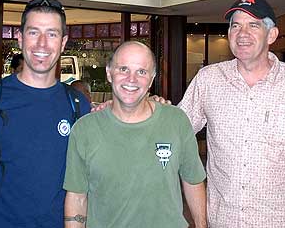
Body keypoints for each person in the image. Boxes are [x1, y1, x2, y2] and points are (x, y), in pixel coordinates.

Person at [178, 0, 285, 227]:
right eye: (235, 25)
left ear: (271, 35)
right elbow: (174, 129)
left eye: (254, 25)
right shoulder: (208, 80)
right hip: (224, 222)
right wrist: (128, 109)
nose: (243, 33)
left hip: (283, 221)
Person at [0, 0, 91, 228]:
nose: (42, 43)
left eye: (52, 34)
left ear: (64, 42)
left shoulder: (78, 105)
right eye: (34, 32)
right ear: (19, 37)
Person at [63, 41, 207, 228]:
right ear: (109, 73)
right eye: (123, 69)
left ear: (152, 78)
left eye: (141, 71)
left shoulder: (176, 121)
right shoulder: (84, 129)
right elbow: (76, 197)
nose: (131, 79)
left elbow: (193, 181)